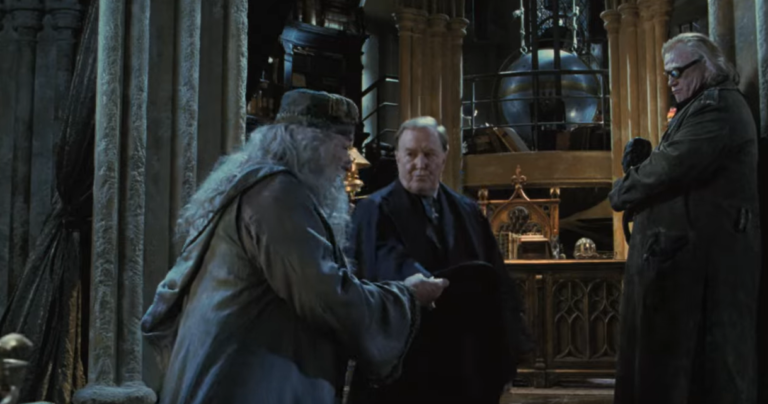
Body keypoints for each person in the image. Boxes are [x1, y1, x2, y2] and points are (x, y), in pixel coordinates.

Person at [141, 89, 449, 404]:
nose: (348, 163)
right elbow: (328, 298)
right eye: (343, 147)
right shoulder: (275, 196)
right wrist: (407, 296)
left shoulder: (262, 185)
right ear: (310, 144)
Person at [609, 33, 761, 404]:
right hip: (684, 268)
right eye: (667, 74)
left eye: (677, 72)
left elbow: (669, 167)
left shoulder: (717, 107)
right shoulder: (699, 106)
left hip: (700, 270)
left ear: (706, 66)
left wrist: (623, 189)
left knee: (695, 378)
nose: (671, 81)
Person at [346, 116, 531, 404]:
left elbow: (499, 285)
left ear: (444, 156)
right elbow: (375, 273)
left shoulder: (468, 211)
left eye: (429, 154)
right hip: (403, 368)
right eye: (411, 154)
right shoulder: (372, 211)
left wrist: (506, 357)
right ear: (397, 157)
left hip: (463, 366)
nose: (420, 163)